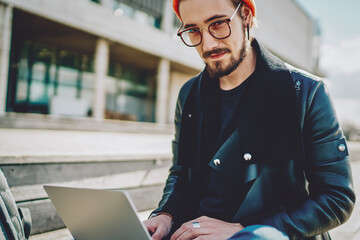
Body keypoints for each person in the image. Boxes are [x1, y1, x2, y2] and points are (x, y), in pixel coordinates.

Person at [144, 0, 356, 239]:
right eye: (193, 31)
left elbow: (337, 198)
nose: (208, 43)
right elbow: (181, 173)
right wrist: (165, 214)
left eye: (218, 24)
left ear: (245, 14)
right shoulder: (190, 94)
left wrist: (244, 232)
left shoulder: (305, 92)